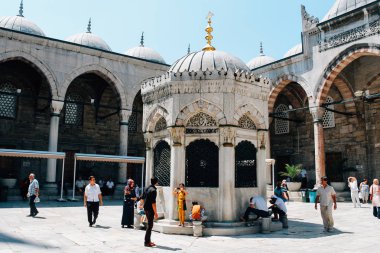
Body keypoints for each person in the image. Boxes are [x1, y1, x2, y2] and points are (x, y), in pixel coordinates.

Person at [140, 177, 158, 247]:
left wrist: (141, 205)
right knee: (150, 226)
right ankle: (147, 242)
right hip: (150, 209)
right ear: (156, 182)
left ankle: (148, 241)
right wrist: (156, 213)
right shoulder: (153, 190)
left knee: (149, 225)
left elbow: (142, 197)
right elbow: (153, 203)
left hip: (146, 208)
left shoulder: (147, 188)